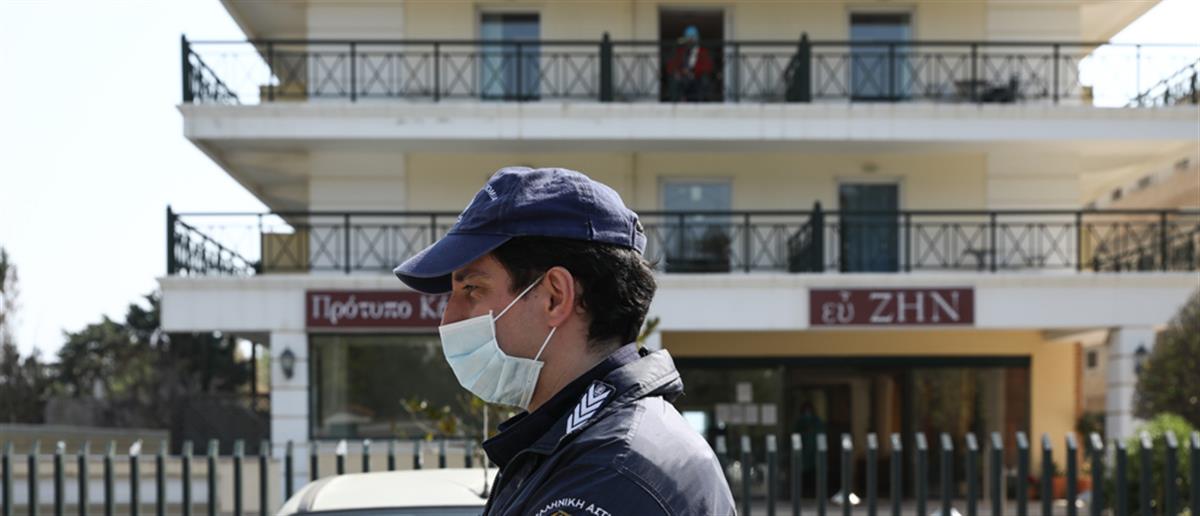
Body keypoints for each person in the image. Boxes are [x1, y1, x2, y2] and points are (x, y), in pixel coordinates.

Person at [394, 167, 736, 515]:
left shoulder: (608, 474)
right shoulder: (586, 447)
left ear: (555, 297)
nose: (448, 319)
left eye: (472, 288)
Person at [666, 25, 714, 102]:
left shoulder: (703, 51)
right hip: (683, 78)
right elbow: (671, 65)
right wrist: (677, 72)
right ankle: (676, 102)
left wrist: (693, 71)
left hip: (697, 78)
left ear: (697, 39)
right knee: (674, 81)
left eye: (692, 38)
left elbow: (708, 67)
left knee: (704, 81)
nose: (690, 40)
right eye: (688, 38)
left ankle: (702, 102)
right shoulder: (680, 51)